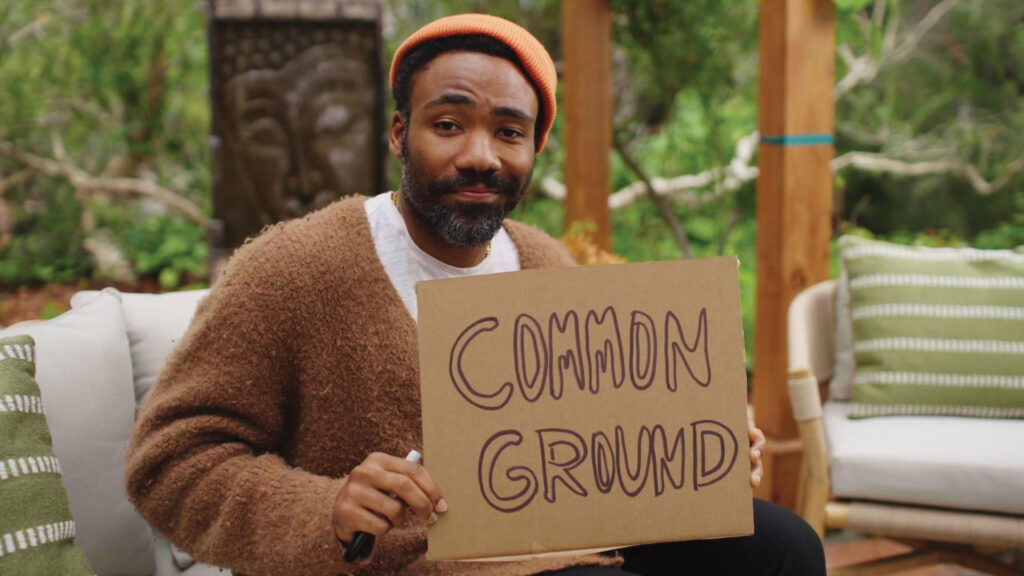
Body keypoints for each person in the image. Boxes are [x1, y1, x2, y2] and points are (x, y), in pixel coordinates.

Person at [125, 14, 825, 576]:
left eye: (509, 133)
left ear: (533, 150)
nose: (480, 156)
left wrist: (697, 452)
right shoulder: (294, 267)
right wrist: (325, 507)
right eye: (449, 124)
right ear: (400, 133)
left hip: (560, 544)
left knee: (785, 547)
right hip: (400, 564)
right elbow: (170, 462)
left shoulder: (544, 263)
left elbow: (598, 448)